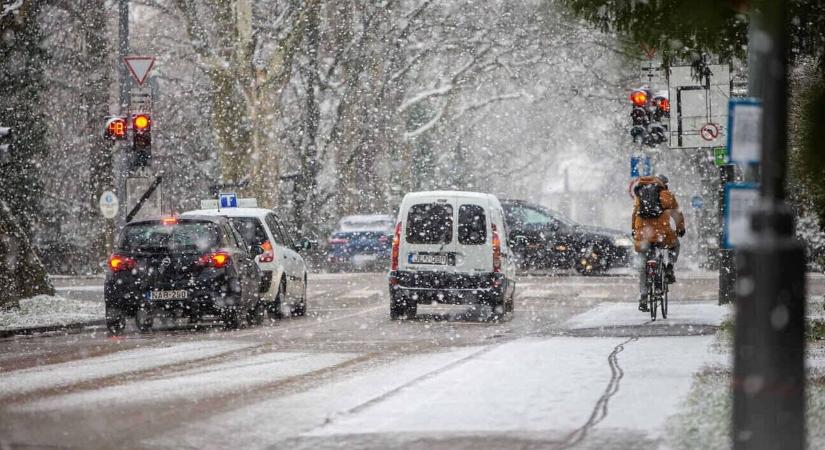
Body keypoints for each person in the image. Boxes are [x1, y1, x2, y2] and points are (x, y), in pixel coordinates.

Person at [631, 174, 686, 312]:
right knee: (675, 244)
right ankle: (668, 268)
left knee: (643, 266)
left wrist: (634, 230)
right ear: (664, 184)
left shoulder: (640, 194)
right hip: (661, 234)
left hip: (643, 234)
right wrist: (680, 228)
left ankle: (643, 297)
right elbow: (677, 214)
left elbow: (634, 214)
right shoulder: (666, 195)